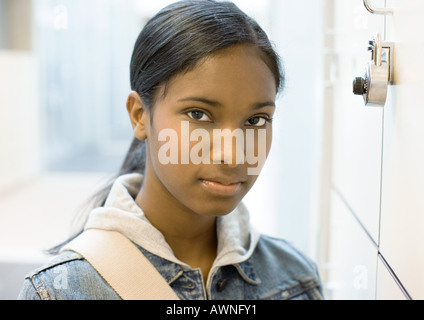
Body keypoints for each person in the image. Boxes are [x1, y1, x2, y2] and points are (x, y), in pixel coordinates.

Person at [18, 0, 323, 300]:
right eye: (198, 114)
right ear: (140, 115)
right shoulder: (58, 292)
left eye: (256, 120)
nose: (233, 154)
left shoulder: (296, 277)